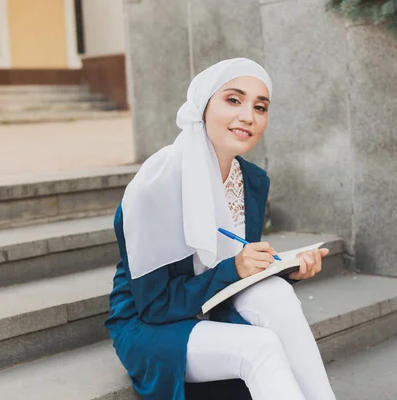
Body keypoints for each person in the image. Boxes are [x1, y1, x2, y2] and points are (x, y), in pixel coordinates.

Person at [105, 58, 337, 400]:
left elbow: (233, 271)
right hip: (151, 323)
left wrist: (285, 268)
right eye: (233, 100)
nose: (248, 116)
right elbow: (154, 305)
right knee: (261, 346)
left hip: (210, 304)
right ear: (203, 106)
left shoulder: (252, 181)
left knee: (277, 293)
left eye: (260, 107)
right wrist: (236, 267)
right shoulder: (158, 183)